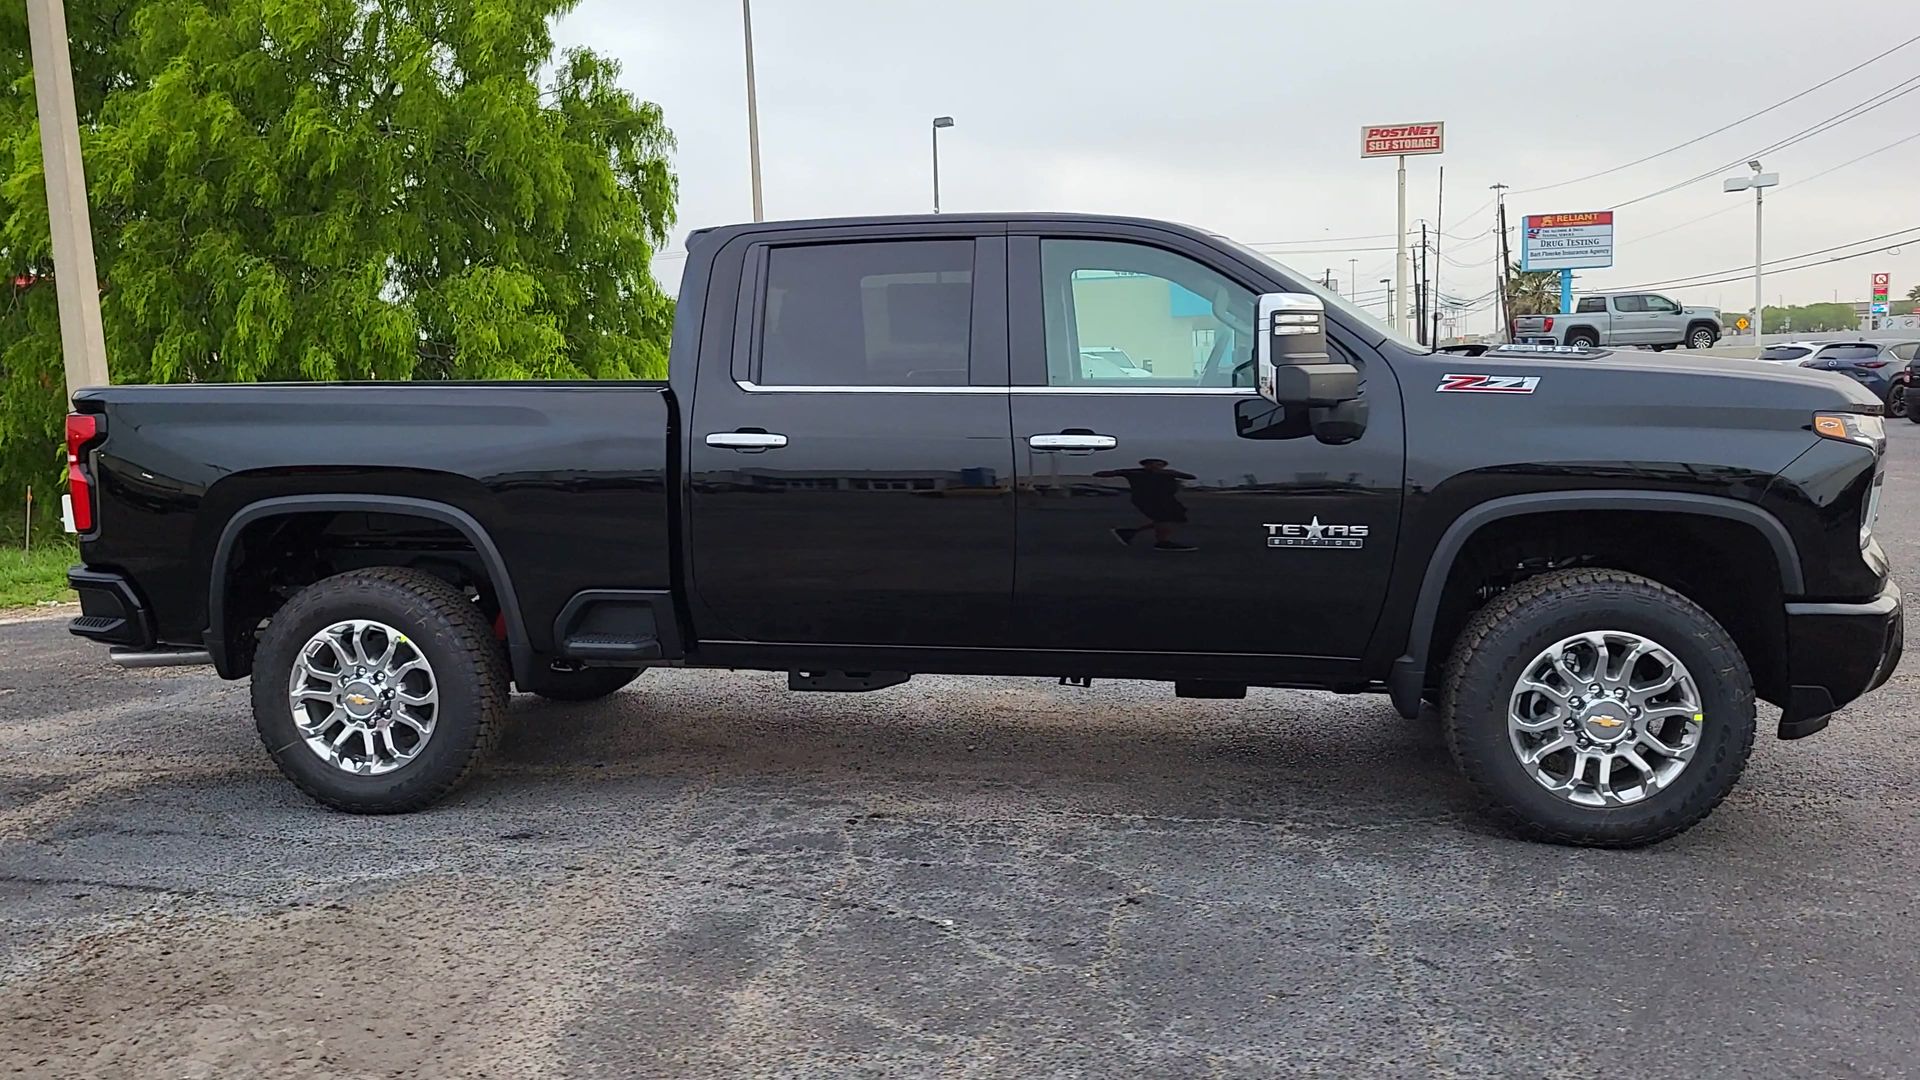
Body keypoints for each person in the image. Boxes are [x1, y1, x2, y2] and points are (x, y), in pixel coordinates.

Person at [1096, 459, 1197, 552]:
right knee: (1162, 518)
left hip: (1167, 498)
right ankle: (1162, 542)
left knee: (1177, 518)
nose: (1156, 466)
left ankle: (1130, 532)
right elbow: (1103, 474)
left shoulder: (1168, 473)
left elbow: (1191, 477)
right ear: (1146, 465)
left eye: (1160, 465)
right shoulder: (1135, 473)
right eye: (1153, 464)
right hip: (1146, 499)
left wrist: (1173, 473)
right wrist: (1116, 473)